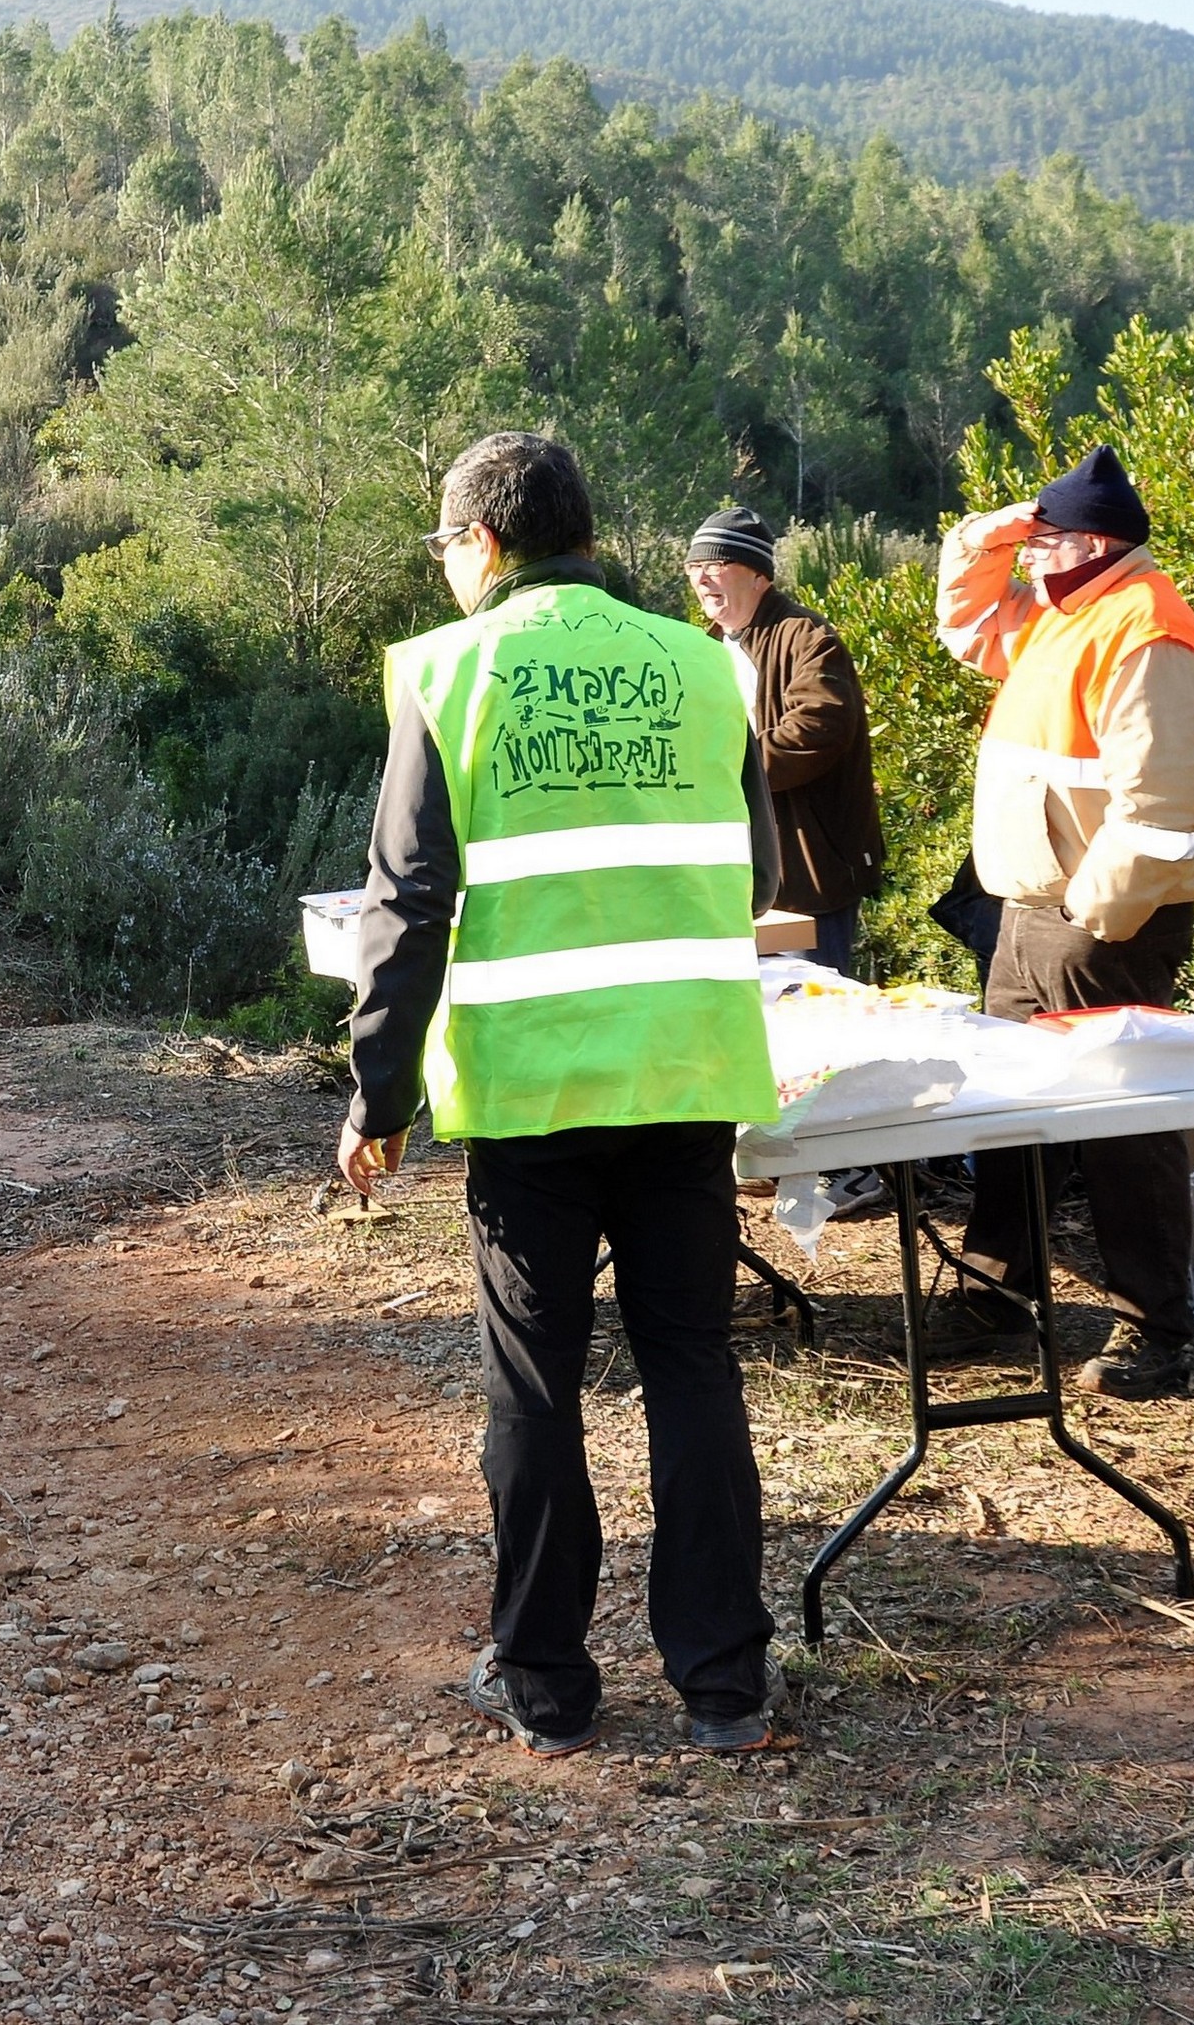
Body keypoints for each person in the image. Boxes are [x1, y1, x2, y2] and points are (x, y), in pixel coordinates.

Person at [337, 433, 792, 1759]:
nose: (444, 565)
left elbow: (406, 903)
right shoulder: (699, 663)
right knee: (691, 1366)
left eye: (444, 543)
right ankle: (724, 1684)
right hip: (682, 1074)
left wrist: (377, 1097)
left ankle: (543, 1681)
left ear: (482, 543)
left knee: (533, 1384)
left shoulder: (449, 669)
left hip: (533, 1091)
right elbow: (760, 874)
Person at [918, 443, 1194, 1400]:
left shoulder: (1144, 628)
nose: (1030, 551)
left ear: (1091, 544)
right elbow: (964, 620)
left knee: (1124, 1128)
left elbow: (1164, 812)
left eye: (1044, 537)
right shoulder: (1062, 610)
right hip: (1031, 911)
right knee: (1009, 1112)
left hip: (1095, 923)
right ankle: (994, 1294)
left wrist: (1094, 917)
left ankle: (1153, 1333)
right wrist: (992, 532)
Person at [682, 506, 885, 976]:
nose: (702, 579)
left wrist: (725, 771)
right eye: (694, 567)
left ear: (760, 576)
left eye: (717, 564)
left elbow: (817, 727)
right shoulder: (701, 650)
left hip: (810, 872)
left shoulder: (808, 638)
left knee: (813, 1003)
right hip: (733, 875)